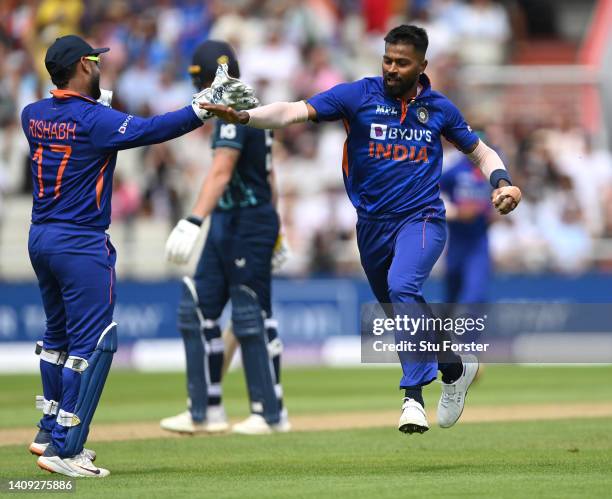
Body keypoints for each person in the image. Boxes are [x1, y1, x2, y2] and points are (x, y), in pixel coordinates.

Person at [201, 25, 522, 435]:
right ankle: (455, 368)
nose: (391, 68)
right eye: (387, 59)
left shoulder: (439, 108)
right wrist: (246, 116)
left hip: (422, 219)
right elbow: (291, 111)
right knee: (399, 308)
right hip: (371, 226)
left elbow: (480, 151)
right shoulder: (357, 95)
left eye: (401, 62)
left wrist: (502, 181)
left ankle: (412, 399)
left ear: (421, 66)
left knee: (404, 287)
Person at [22, 34, 254, 477]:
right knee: (93, 343)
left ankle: (48, 429)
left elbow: (72, 119)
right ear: (84, 67)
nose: (101, 65)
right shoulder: (95, 121)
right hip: (80, 243)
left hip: (41, 238)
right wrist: (202, 107)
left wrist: (98, 107)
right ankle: (65, 448)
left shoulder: (31, 115)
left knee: (57, 339)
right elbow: (150, 131)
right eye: (96, 60)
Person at [161, 40, 289, 436]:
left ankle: (270, 413)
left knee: (251, 314)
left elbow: (222, 168)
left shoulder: (234, 109)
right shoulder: (246, 105)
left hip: (246, 221)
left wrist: (193, 220)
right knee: (197, 309)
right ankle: (205, 410)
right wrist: (278, 226)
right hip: (233, 219)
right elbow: (269, 175)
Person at [440, 132, 493, 303]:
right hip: (456, 239)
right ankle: (444, 329)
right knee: (452, 295)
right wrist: (456, 212)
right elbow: (434, 192)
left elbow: (501, 196)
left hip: (478, 241)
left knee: (474, 295)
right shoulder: (455, 171)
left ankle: (470, 330)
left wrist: (492, 211)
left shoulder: (490, 172)